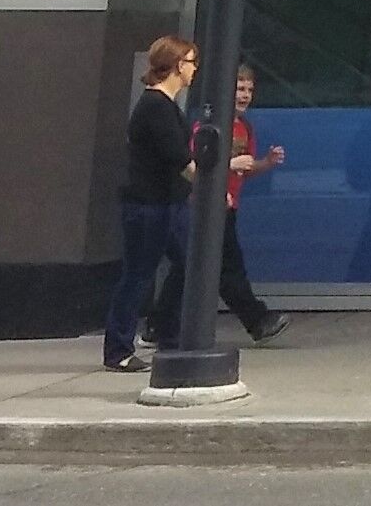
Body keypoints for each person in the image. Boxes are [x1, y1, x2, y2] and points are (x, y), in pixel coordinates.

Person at [157, 65, 287, 345]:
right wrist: (220, 182)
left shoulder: (245, 128)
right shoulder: (211, 126)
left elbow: (245, 168)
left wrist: (265, 163)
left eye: (250, 90)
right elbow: (195, 165)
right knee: (225, 267)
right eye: (240, 89)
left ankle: (160, 325)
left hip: (227, 205)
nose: (246, 95)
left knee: (191, 267)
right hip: (206, 206)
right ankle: (257, 319)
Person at [104, 36, 196, 373]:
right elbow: (180, 158)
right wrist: (211, 187)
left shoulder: (167, 105)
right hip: (149, 204)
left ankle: (165, 330)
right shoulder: (155, 107)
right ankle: (118, 348)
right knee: (138, 274)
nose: (194, 68)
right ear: (175, 65)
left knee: (190, 263)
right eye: (190, 61)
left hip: (170, 202)